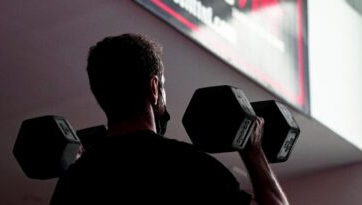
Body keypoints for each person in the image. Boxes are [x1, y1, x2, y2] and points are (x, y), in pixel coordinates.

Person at [50, 33, 289, 205]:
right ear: (154, 88)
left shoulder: (73, 181)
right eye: (163, 86)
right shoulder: (192, 167)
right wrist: (253, 150)